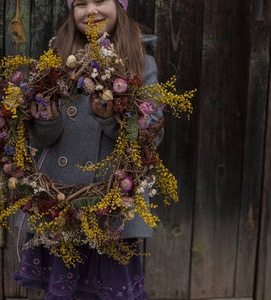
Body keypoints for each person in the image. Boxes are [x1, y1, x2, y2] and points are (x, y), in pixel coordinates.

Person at [12, 0, 163, 299]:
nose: (91, 10)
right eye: (81, 3)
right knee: (64, 288)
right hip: (60, 198)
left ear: (120, 6)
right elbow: (40, 139)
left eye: (100, 1)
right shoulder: (54, 64)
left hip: (110, 206)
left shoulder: (141, 64)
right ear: (72, 11)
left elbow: (151, 136)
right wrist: (47, 121)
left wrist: (111, 119)